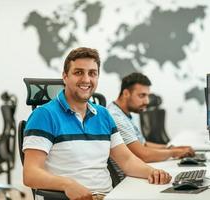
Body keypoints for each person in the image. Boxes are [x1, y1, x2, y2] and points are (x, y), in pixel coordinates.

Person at [22, 47, 172, 200]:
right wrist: (66, 184)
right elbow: (30, 174)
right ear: (65, 76)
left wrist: (152, 172)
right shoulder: (44, 115)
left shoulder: (103, 114)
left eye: (92, 73)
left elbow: (126, 160)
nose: (86, 80)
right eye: (78, 72)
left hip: (108, 196)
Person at [108, 72, 195, 164]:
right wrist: (174, 153)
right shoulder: (115, 117)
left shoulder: (124, 114)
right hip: (128, 176)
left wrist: (171, 148)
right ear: (126, 93)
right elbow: (143, 155)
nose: (147, 101)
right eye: (142, 95)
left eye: (147, 96)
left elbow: (143, 144)